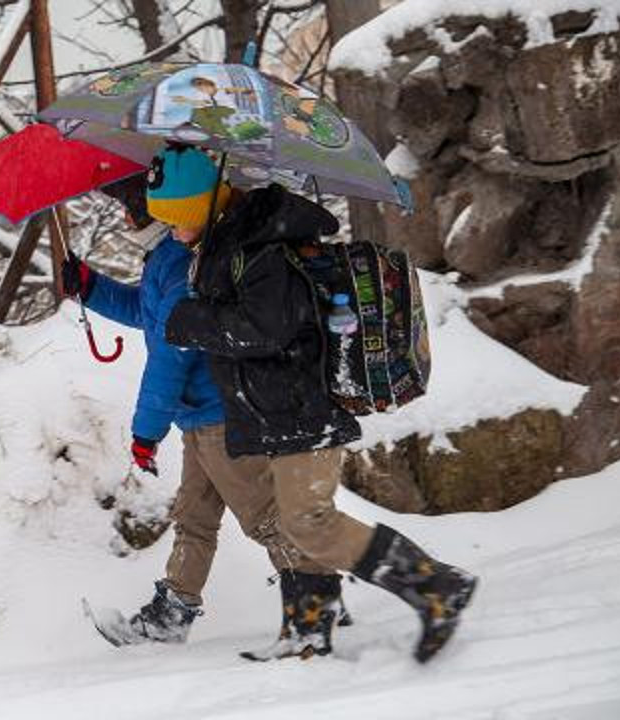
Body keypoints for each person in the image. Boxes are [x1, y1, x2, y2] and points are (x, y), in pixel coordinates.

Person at [163, 175, 478, 663]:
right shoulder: (234, 246)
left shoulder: (260, 250)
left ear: (201, 209)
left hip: (301, 405)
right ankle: (307, 632)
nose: (169, 228)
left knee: (309, 521)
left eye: (176, 217)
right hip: (280, 409)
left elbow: (267, 330)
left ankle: (436, 584)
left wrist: (194, 320)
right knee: (300, 522)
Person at [62, 145, 350, 659]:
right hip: (197, 416)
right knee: (194, 517)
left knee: (261, 516)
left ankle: (318, 599)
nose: (125, 221)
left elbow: (168, 359)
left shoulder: (179, 264)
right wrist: (91, 288)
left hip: (219, 414)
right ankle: (171, 614)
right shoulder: (165, 259)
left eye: (130, 211)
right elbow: (148, 315)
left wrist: (145, 433)